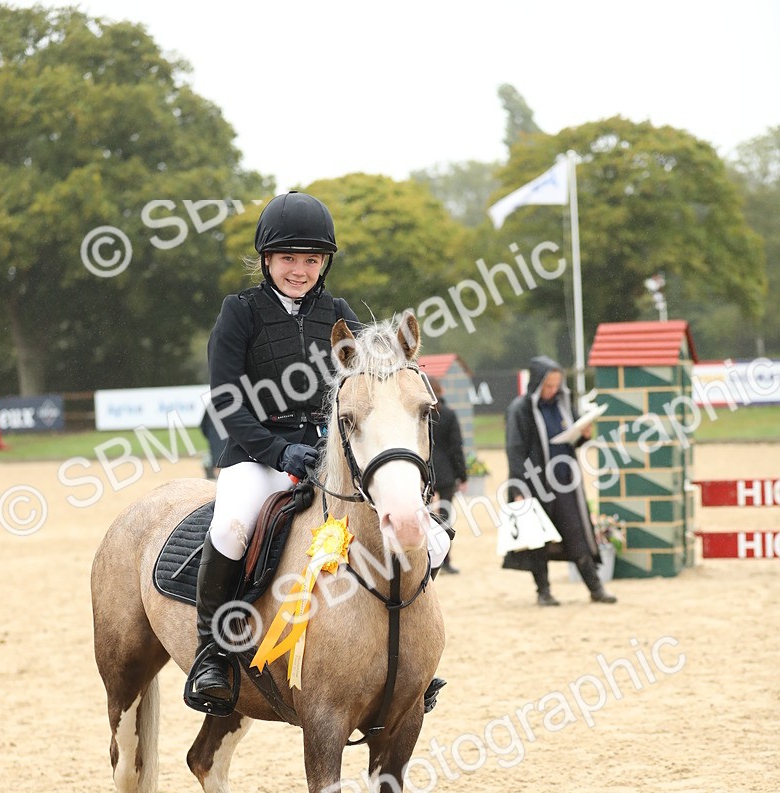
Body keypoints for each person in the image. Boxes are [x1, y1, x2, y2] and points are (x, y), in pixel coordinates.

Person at [186, 191, 449, 711]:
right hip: (256, 453)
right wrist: (278, 452)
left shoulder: (338, 313)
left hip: (329, 457)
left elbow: (374, 380)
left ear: (324, 264)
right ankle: (212, 652)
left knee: (432, 540)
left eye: (311, 260)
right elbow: (226, 401)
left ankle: (408, 658)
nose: (299, 270)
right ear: (266, 259)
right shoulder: (240, 312)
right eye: (288, 258)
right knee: (232, 528)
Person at [503, 355, 616, 606]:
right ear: (536, 383)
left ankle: (596, 588)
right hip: (534, 486)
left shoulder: (563, 403)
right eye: (548, 385)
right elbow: (515, 451)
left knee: (577, 534)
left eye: (556, 385)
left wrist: (583, 435)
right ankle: (543, 592)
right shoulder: (520, 409)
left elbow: (572, 438)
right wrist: (519, 489)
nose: (553, 390)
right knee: (538, 540)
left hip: (565, 484)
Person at [430, 380, 467, 574]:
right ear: (441, 391)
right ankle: (445, 560)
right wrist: (462, 475)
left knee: (423, 519)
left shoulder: (419, 414)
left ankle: (426, 558)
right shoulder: (449, 414)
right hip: (445, 473)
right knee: (444, 518)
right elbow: (456, 448)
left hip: (424, 472)